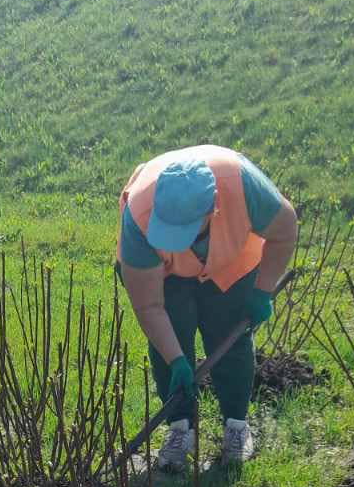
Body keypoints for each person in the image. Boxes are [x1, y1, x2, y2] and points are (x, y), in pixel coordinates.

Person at [117, 145, 297, 465]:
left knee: (230, 334)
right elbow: (149, 307)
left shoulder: (243, 185)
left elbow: (284, 229)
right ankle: (180, 427)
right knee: (168, 337)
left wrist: (262, 290)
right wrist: (176, 361)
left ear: (212, 207)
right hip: (166, 273)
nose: (177, 239)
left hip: (231, 262)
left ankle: (236, 426)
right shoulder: (139, 218)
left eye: (184, 230)